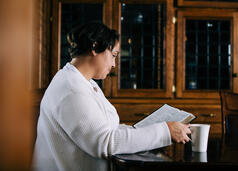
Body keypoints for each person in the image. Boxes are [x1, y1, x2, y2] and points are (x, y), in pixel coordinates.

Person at [32, 21, 191, 171]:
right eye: (114, 55)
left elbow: (108, 129)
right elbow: (104, 142)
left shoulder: (84, 82)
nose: (114, 64)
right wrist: (164, 131)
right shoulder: (70, 89)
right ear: (95, 47)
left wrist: (152, 129)